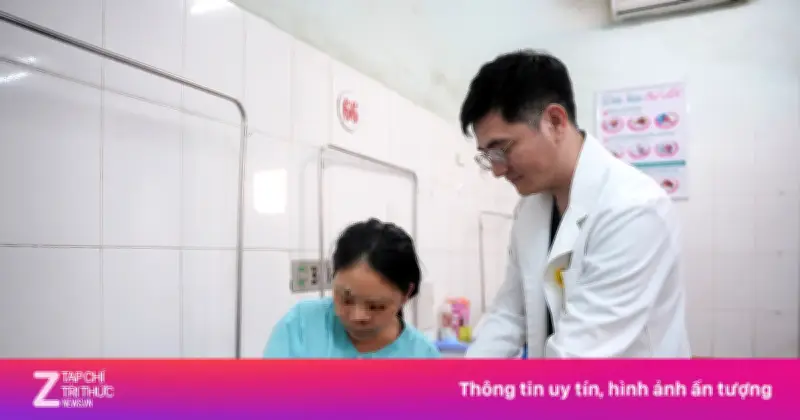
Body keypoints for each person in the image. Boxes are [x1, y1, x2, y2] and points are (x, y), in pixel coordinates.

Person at [460, 50, 691, 358]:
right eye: (488, 156)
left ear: (555, 122)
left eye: (502, 149)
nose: (498, 170)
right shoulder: (531, 209)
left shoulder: (634, 210)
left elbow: (578, 356)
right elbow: (511, 313)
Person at [263, 218, 440, 358]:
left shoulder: (424, 358)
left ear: (406, 294)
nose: (357, 316)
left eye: (375, 306)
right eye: (345, 299)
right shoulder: (301, 326)